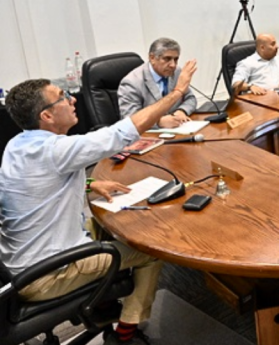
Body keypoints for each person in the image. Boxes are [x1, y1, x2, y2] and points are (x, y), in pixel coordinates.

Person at [1, 61, 197, 345]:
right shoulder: (58, 150)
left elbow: (36, 186)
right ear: (46, 115)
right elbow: (121, 134)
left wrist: (91, 183)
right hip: (48, 274)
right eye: (62, 97)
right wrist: (177, 92)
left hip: (20, 266)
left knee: (104, 221)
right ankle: (125, 333)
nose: (72, 100)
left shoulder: (16, 145)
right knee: (152, 250)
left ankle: (102, 307)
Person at [118, 37, 197, 129]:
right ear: (152, 58)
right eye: (167, 59)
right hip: (147, 137)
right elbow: (131, 121)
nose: (173, 65)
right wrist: (158, 122)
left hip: (176, 131)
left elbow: (190, 98)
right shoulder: (132, 83)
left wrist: (181, 111)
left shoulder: (176, 72)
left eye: (175, 59)